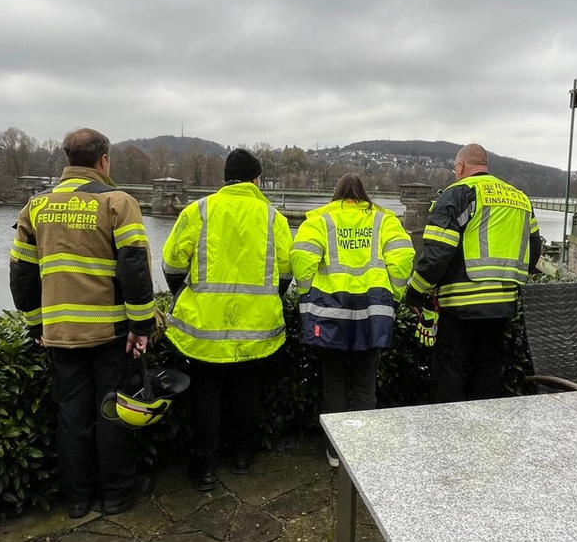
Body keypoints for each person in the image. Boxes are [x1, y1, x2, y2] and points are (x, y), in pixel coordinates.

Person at [9, 128, 155, 519]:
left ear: (68, 159)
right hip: (110, 332)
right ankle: (118, 494)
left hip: (60, 333)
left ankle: (77, 499)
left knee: (71, 416)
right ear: (103, 159)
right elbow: (134, 268)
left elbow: (22, 273)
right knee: (112, 411)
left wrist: (36, 325)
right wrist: (142, 326)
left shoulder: (36, 206)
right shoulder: (117, 202)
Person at [161, 148, 292, 490]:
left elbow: (172, 264)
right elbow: (286, 272)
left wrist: (183, 293)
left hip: (204, 326)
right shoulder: (273, 217)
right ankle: (242, 457)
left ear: (225, 178)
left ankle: (204, 469)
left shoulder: (198, 211)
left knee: (206, 394)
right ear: (256, 179)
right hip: (257, 327)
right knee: (247, 390)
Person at [291, 173, 415, 466]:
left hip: (329, 312)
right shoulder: (384, 220)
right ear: (363, 193)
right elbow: (403, 257)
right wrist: (394, 294)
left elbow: (301, 258)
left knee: (334, 381)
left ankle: (335, 452)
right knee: (365, 383)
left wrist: (308, 293)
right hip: (373, 313)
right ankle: (362, 450)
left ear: (337, 193)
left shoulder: (320, 219)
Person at [404, 143, 541, 403]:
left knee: (450, 372)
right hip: (502, 302)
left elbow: (436, 255)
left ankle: (449, 424)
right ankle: (486, 425)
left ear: (460, 167)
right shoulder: (520, 198)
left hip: (460, 304)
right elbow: (534, 248)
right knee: (488, 370)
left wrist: (415, 294)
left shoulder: (456, 195)